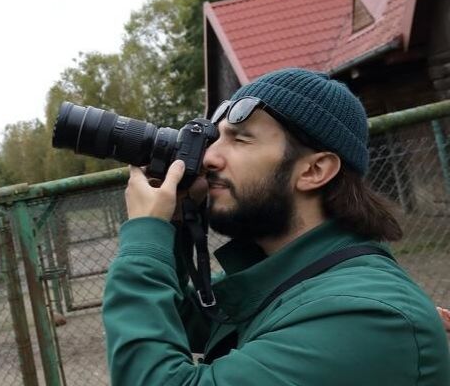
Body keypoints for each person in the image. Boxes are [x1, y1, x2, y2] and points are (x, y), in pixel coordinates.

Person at [102, 68, 450, 385]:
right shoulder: (295, 278)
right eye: (215, 139)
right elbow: (181, 318)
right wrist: (175, 223)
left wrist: (145, 236)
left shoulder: (367, 316)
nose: (208, 157)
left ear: (314, 171)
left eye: (240, 139)